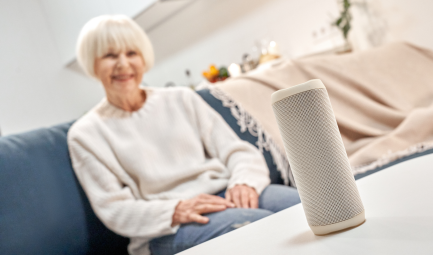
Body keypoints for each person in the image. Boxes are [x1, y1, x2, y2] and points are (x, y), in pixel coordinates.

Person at [68, 15, 300, 255]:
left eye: (131, 53)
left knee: (303, 209)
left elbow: (238, 151)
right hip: (165, 229)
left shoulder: (182, 98)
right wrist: (176, 210)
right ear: (92, 63)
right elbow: (114, 208)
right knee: (258, 227)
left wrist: (244, 182)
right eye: (110, 55)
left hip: (225, 194)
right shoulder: (85, 134)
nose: (123, 64)